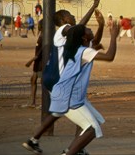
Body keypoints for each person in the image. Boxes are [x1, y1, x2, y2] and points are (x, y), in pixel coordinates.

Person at [22, 0, 104, 155]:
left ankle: (34, 139)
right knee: (79, 107)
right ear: (64, 19)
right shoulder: (63, 30)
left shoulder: (70, 37)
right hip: (59, 79)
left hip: (56, 78)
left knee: (60, 111)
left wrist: (100, 27)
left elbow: (92, 41)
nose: (73, 16)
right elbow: (79, 27)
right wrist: (93, 6)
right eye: (70, 15)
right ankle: (76, 148)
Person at [50, 21, 119, 155]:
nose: (90, 30)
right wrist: (113, 37)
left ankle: (74, 150)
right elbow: (109, 57)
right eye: (87, 29)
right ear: (83, 37)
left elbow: (94, 45)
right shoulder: (84, 51)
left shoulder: (80, 49)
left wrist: (101, 25)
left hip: (72, 95)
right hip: (67, 96)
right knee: (92, 128)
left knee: (96, 120)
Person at [25, 20, 43, 108]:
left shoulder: (44, 37)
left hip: (41, 63)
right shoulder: (41, 36)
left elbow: (39, 53)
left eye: (39, 25)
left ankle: (45, 103)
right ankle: (33, 102)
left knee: (42, 81)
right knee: (33, 80)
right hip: (38, 63)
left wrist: (30, 61)